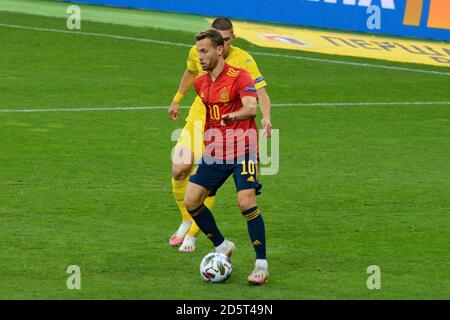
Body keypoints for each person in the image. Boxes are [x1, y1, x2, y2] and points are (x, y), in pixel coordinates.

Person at [168, 18, 272, 252]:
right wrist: (176, 100)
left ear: (231, 40)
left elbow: (260, 94)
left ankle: (194, 235)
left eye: (226, 41)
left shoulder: (243, 62)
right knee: (179, 169)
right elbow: (190, 71)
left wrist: (265, 116)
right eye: (219, 40)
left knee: (223, 190)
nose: (222, 46)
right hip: (201, 121)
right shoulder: (200, 54)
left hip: (232, 135)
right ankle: (187, 219)